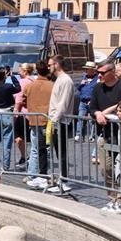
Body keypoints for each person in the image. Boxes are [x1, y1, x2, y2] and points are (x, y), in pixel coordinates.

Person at [88, 59, 121, 214]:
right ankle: (113, 198)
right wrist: (97, 113)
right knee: (106, 168)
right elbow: (92, 107)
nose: (99, 75)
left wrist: (120, 112)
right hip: (105, 135)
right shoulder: (97, 88)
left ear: (111, 72)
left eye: (102, 73)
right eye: (98, 73)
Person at [21, 61, 54, 189]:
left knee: (35, 149)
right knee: (47, 149)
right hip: (48, 121)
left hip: (34, 120)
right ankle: (44, 175)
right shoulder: (52, 86)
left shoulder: (30, 86)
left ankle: (32, 175)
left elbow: (23, 101)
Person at [46, 56, 76, 193]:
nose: (48, 67)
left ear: (57, 64)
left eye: (50, 64)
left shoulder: (65, 80)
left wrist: (54, 120)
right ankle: (59, 179)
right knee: (57, 151)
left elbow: (62, 103)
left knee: (61, 152)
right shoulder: (60, 79)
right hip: (55, 119)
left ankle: (63, 180)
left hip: (60, 121)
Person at [74, 62, 98, 142]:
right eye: (86, 69)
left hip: (92, 101)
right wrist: (81, 84)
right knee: (80, 118)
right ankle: (78, 135)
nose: (87, 70)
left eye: (88, 69)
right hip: (83, 101)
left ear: (93, 70)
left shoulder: (97, 78)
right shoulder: (83, 77)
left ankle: (91, 136)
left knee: (92, 120)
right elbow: (78, 89)